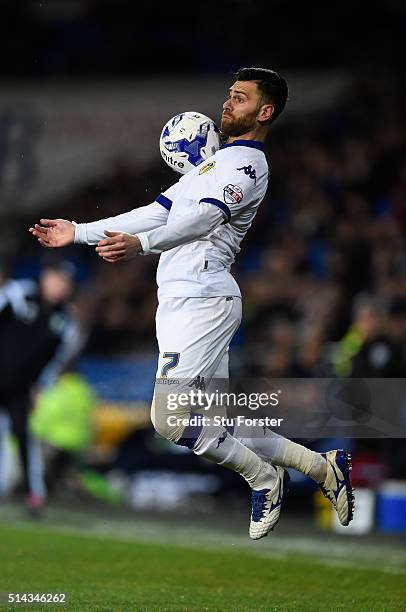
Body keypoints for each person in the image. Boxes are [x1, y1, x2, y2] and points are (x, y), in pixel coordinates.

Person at [29, 67, 354, 538]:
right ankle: (324, 467)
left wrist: (142, 246)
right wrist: (77, 231)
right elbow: (152, 213)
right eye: (229, 95)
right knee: (216, 424)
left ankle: (264, 476)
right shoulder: (209, 166)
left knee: (170, 419)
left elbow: (203, 220)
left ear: (264, 112)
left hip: (203, 299)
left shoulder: (248, 166)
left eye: (240, 99)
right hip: (183, 301)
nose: (228, 103)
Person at [0, 260, 83, 515]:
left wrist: (41, 386)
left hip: (21, 386)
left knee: (25, 437)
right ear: (45, 276)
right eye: (57, 279)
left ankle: (34, 494)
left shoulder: (65, 319)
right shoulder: (19, 293)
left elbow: (57, 359)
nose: (60, 287)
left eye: (66, 283)